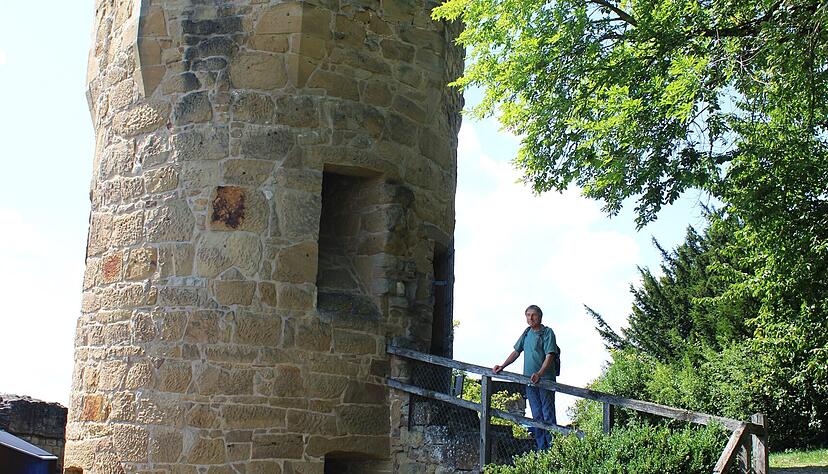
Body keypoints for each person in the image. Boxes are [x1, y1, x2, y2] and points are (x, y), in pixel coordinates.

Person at [492, 304, 558, 451]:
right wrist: (502, 366)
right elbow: (516, 352)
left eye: (533, 315)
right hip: (529, 381)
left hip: (545, 381)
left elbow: (550, 355)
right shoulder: (527, 333)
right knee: (536, 416)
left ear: (540, 317)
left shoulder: (547, 333)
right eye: (528, 315)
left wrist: (539, 374)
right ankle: (542, 449)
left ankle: (553, 450)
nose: (530, 318)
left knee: (548, 414)